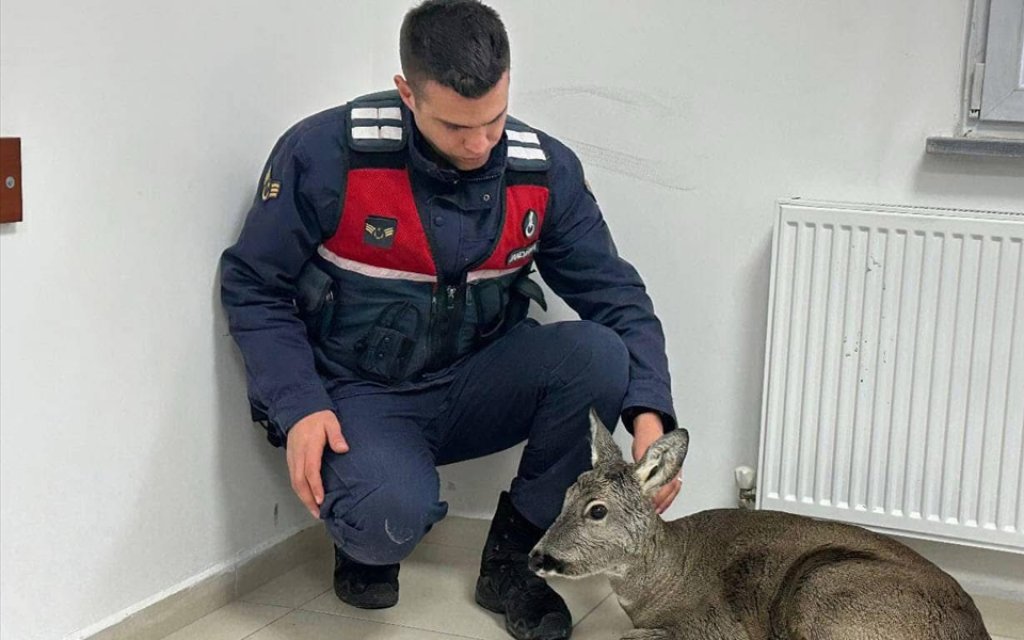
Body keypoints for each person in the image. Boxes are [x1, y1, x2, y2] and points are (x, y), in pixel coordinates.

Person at [218, 2, 680, 638]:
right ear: (408, 92)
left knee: (599, 352)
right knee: (385, 521)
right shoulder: (326, 155)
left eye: (492, 119)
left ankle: (514, 562)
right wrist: (298, 406)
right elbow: (253, 284)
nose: (479, 143)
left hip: (476, 383)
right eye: (456, 127)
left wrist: (650, 416)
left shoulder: (543, 170)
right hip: (361, 395)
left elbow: (616, 295)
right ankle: (370, 527)